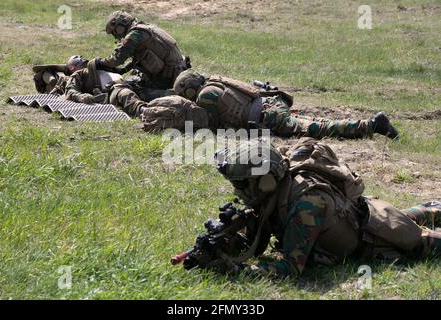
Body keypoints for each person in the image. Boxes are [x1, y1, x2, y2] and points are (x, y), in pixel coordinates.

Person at [211, 138, 441, 277]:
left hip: (372, 237)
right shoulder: (276, 191)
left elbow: (291, 267)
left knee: (421, 241)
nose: (236, 190)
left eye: (241, 183)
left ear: (266, 180)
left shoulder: (307, 203)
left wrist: (240, 270)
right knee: (405, 215)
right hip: (361, 212)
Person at [173, 69, 399, 140]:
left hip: (269, 116)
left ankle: (371, 125)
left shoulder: (206, 95)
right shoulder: (215, 82)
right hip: (271, 102)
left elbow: (212, 126)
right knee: (312, 123)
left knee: (315, 129)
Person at [94, 11, 190, 90]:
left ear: (120, 26)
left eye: (114, 32)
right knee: (134, 75)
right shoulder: (144, 28)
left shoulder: (134, 35)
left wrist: (100, 63)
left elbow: (117, 59)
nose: (115, 36)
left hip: (167, 77)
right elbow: (139, 59)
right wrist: (123, 70)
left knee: (122, 89)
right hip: (177, 71)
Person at [64, 59, 173, 117]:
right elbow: (70, 91)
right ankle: (145, 112)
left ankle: (178, 97)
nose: (81, 57)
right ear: (72, 67)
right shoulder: (78, 75)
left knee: (157, 93)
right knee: (126, 95)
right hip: (113, 90)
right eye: (76, 57)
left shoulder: (98, 67)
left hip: (129, 83)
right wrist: (82, 97)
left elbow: (120, 69)